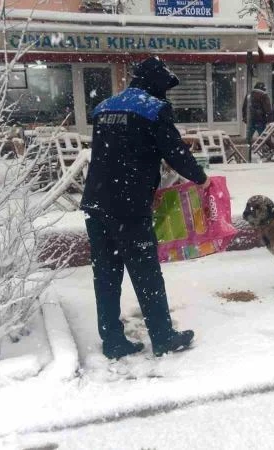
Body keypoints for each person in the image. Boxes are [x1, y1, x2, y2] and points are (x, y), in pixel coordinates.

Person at [81, 56, 210, 359]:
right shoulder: (152, 109)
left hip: (96, 203)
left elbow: (113, 153)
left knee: (106, 275)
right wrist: (200, 178)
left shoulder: (104, 108)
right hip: (128, 207)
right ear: (156, 83)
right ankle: (163, 337)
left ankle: (112, 340)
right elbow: (175, 152)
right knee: (146, 273)